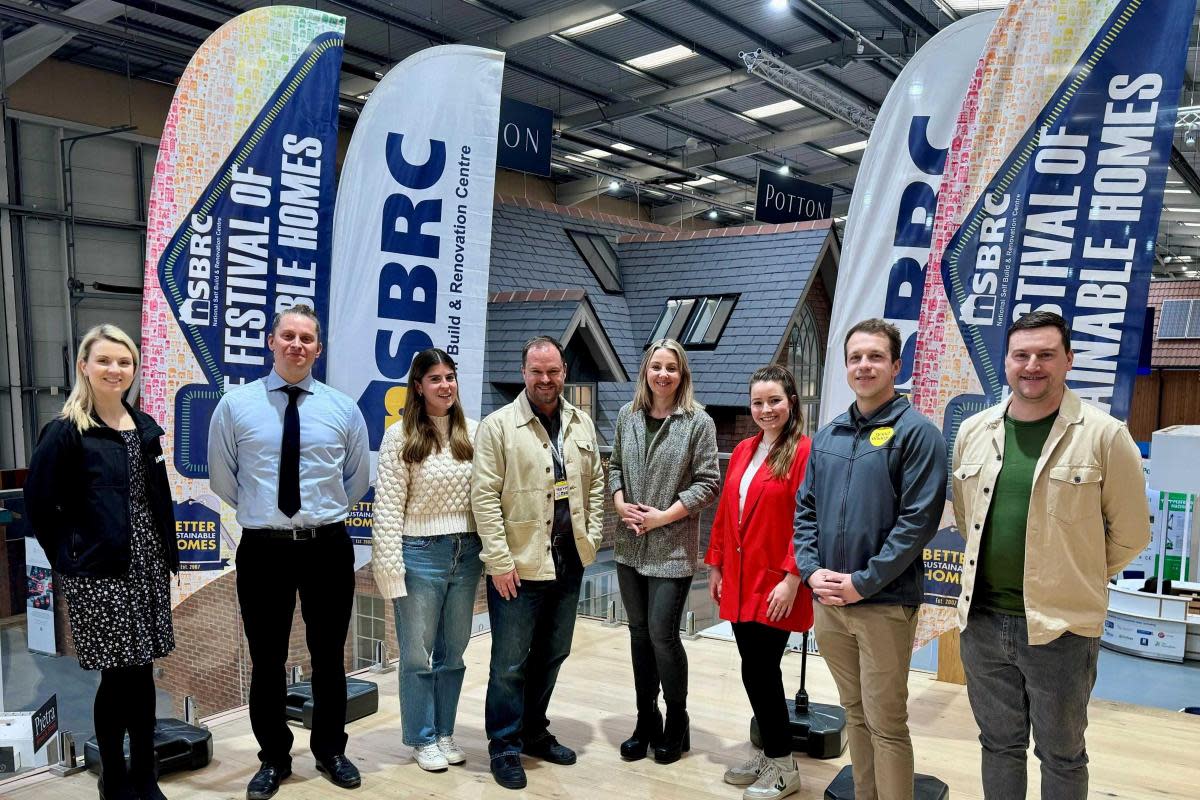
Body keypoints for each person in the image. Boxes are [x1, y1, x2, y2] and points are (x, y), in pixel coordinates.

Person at [951, 311, 1150, 800]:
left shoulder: (1105, 436)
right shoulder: (974, 431)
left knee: (1062, 756)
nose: (1032, 365)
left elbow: (1132, 533)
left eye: (1045, 355)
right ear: (1007, 362)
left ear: (1068, 361)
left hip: (1061, 629)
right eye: (1022, 355)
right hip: (981, 623)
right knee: (998, 745)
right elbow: (964, 516)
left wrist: (1071, 576)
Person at [208, 305, 370, 800]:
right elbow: (224, 479)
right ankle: (274, 758)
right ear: (271, 342)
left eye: (307, 338)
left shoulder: (343, 409)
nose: (297, 345)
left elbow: (357, 480)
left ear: (318, 349)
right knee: (267, 661)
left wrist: (309, 516)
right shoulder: (235, 406)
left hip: (327, 547)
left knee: (329, 657)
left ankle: (330, 750)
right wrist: (271, 517)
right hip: (264, 550)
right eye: (288, 336)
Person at [793, 318, 946, 800]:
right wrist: (811, 570)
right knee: (853, 712)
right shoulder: (829, 436)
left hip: (882, 603)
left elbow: (917, 523)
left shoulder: (918, 434)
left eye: (875, 356)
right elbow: (805, 511)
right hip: (829, 602)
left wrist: (863, 582)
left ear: (896, 366)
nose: (865, 365)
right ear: (846, 367)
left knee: (887, 722)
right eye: (856, 357)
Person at [25, 324, 179, 800]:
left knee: (142, 673)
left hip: (147, 567)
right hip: (100, 574)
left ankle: (145, 774)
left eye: (124, 362)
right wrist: (70, 561)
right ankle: (115, 778)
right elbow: (38, 504)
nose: (115, 370)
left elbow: (155, 499)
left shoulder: (143, 427)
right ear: (83, 367)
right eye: (105, 361)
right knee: (118, 676)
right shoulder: (67, 432)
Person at [471, 336, 605, 790]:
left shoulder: (581, 422)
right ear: (523, 373)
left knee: (553, 653)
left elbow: (598, 483)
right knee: (510, 663)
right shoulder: (498, 426)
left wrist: (594, 537)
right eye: (536, 372)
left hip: (569, 562)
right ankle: (504, 747)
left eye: (553, 371)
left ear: (563, 372)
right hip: (518, 566)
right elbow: (484, 497)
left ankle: (533, 731)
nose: (545, 380)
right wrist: (499, 560)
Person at [372, 348, 483, 772]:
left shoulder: (473, 433)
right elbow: (386, 509)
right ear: (418, 386)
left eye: (450, 377)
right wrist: (390, 570)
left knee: (453, 653)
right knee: (417, 656)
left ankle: (444, 732)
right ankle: (421, 738)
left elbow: (487, 498)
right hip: (420, 555)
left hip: (467, 552)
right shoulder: (399, 437)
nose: (445, 386)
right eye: (435, 378)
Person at [609, 339, 719, 764]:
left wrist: (663, 517)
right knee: (638, 636)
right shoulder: (627, 416)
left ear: (682, 374)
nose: (663, 374)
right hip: (629, 545)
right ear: (646, 372)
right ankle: (645, 720)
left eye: (671, 368)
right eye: (656, 366)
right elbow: (614, 464)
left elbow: (709, 482)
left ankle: (677, 721)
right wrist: (619, 503)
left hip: (672, 548)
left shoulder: (698, 422)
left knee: (663, 635)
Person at [706, 365, 813, 800]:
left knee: (763, 671)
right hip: (739, 577)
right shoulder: (746, 448)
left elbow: (810, 522)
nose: (765, 409)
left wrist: (792, 578)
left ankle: (785, 765)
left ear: (791, 402)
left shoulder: (804, 452)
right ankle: (771, 752)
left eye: (774, 401)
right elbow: (725, 513)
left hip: (774, 583)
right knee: (754, 670)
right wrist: (714, 566)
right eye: (758, 402)